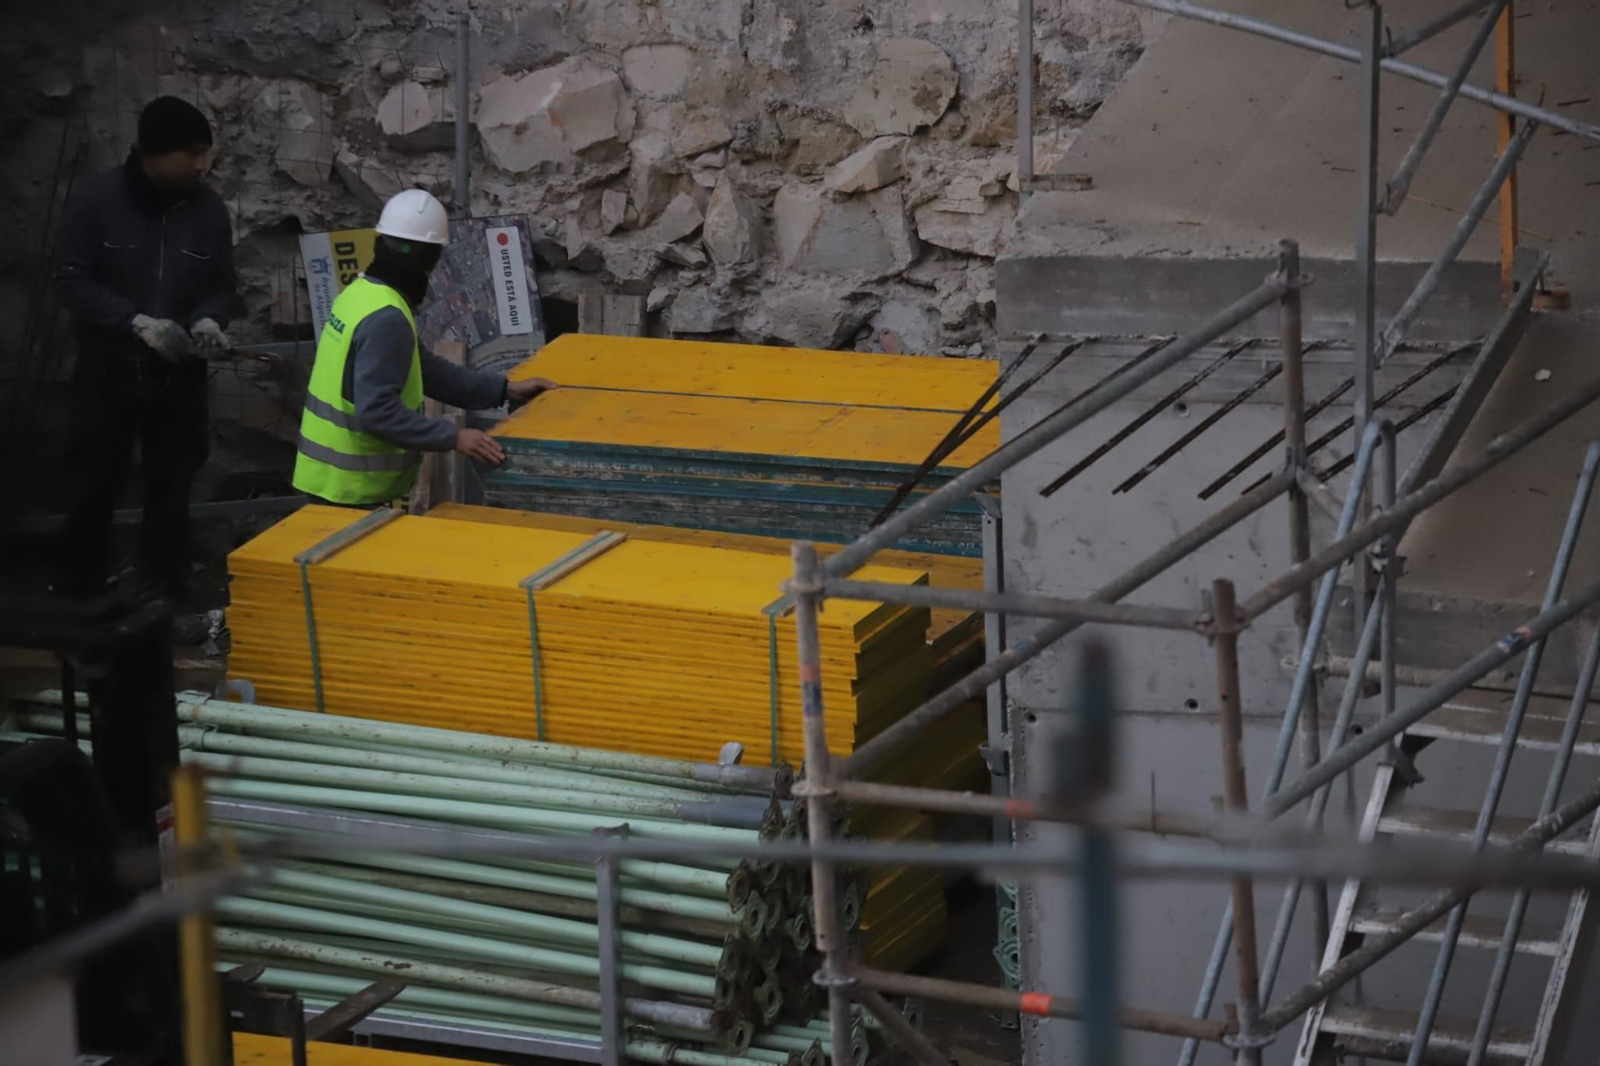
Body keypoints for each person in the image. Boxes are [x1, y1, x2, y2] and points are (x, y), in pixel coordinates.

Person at [53, 96, 240, 613]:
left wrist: (209, 319)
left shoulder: (207, 211)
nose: (203, 165)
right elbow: (71, 280)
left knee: (172, 487)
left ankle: (163, 597)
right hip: (107, 369)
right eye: (193, 153)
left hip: (177, 376)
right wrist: (134, 322)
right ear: (156, 152)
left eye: (205, 153)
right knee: (93, 483)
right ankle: (80, 596)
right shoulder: (95, 202)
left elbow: (224, 284)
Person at [291, 189, 556, 508]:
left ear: (379, 243)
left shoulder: (359, 295)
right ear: (431, 263)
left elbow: (423, 369)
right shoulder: (387, 318)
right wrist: (453, 437)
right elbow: (377, 412)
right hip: (351, 489)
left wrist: (504, 389)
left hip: (325, 477)